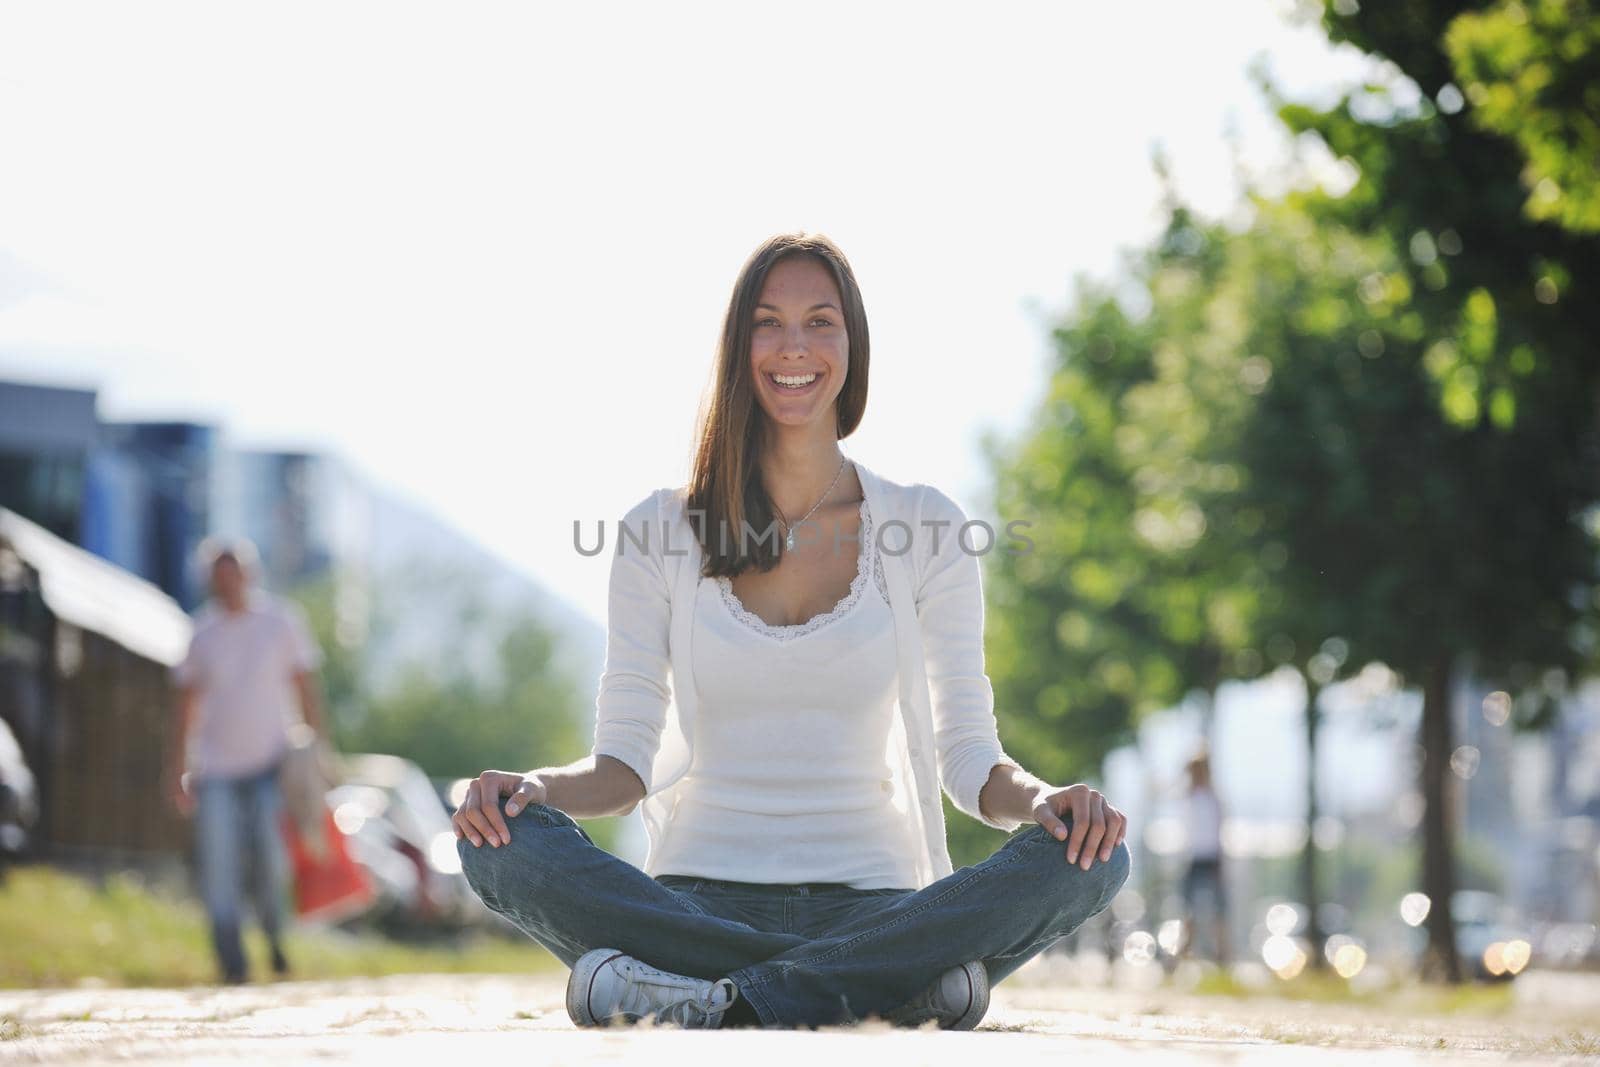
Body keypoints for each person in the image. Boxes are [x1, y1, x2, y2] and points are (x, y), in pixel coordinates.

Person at [451, 232, 1133, 1031]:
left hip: (877, 910)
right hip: (693, 902)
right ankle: (883, 991)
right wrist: (533, 789)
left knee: (1095, 856)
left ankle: (711, 995)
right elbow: (623, 766)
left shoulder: (926, 525)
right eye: (769, 323)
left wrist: (1049, 800)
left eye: (821, 321)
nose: (794, 347)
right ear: (738, 346)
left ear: (854, 345)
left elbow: (969, 760)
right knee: (498, 839)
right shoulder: (656, 531)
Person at [163, 537, 327, 985]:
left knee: (272, 862)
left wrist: (319, 751)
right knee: (220, 866)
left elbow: (304, 687)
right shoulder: (201, 633)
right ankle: (232, 962)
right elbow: (186, 707)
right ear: (210, 582)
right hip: (215, 770)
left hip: (271, 765)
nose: (227, 584)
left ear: (249, 575)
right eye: (218, 577)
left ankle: (275, 938)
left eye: (234, 574)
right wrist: (176, 768)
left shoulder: (281, 622)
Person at [1178, 750, 1229, 963]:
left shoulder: (1211, 798)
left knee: (1218, 911)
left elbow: (1218, 831)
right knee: (1189, 910)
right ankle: (1184, 954)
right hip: (1194, 857)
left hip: (1211, 858)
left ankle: (1221, 956)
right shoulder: (1190, 797)